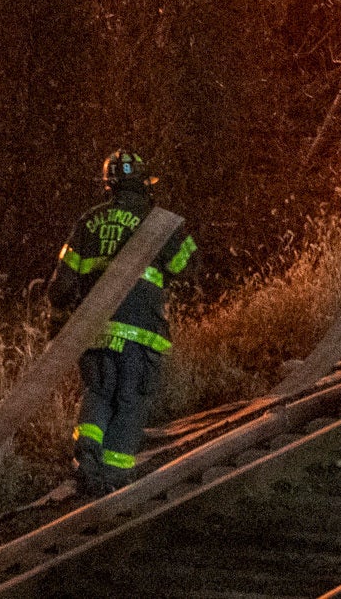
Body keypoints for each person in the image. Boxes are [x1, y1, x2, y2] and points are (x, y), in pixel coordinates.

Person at [49, 150, 197, 497]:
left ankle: (87, 462)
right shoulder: (158, 223)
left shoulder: (87, 222)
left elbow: (61, 287)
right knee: (131, 399)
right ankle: (114, 480)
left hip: (95, 332)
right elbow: (187, 267)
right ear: (143, 183)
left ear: (109, 186)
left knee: (98, 392)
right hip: (141, 333)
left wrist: (58, 323)